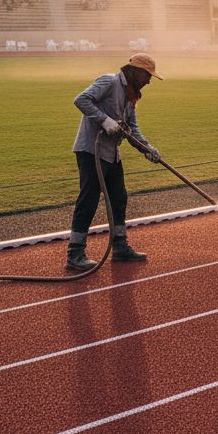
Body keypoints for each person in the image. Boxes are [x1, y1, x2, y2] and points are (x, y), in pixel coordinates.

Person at [66, 53, 163, 271]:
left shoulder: (131, 94)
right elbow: (81, 100)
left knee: (119, 199)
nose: (149, 81)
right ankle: (74, 253)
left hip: (111, 153)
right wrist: (105, 120)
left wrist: (148, 149)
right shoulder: (109, 81)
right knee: (88, 201)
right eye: (148, 76)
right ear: (137, 72)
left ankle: (120, 247)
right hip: (91, 150)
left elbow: (132, 130)